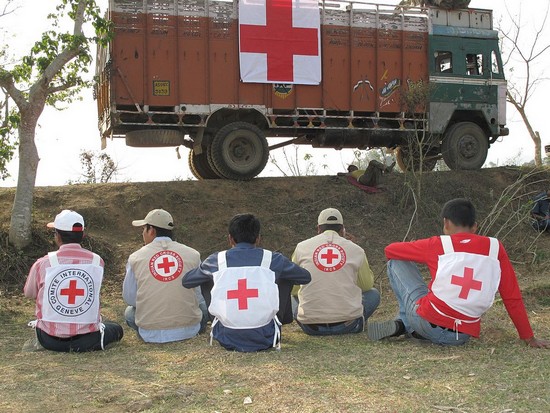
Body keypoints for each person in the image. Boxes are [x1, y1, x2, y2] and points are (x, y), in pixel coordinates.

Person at [367, 198, 549, 348]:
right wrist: (528, 337)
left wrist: (416, 249)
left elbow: (390, 250)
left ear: (446, 223)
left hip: (427, 323)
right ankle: (409, 327)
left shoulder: (438, 244)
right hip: (461, 336)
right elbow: (512, 296)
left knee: (397, 261)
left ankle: (405, 323)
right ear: (475, 226)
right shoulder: (495, 248)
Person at [182, 213, 311, 352]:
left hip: (225, 336)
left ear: (230, 238)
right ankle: (279, 320)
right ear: (258, 238)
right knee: (285, 276)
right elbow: (305, 277)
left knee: (206, 277)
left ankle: (221, 318)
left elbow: (187, 281)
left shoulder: (216, 260)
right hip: (267, 336)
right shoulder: (273, 259)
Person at [23, 210, 123, 352]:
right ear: (83, 235)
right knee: (116, 328)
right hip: (88, 339)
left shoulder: (43, 263)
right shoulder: (97, 262)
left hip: (48, 339)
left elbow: (29, 293)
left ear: (57, 236)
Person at [291, 208, 380, 335]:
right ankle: (355, 320)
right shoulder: (356, 250)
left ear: (318, 228)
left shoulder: (301, 247)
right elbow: (366, 286)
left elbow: (293, 288)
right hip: (347, 325)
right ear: (342, 229)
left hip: (310, 327)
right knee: (373, 294)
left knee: (290, 297)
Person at [123, 209, 207, 343]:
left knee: (129, 312)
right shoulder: (193, 254)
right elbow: (199, 294)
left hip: (150, 333)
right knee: (202, 306)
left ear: (152, 230)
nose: (142, 233)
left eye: (144, 229)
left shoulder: (135, 257)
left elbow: (130, 298)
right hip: (190, 329)